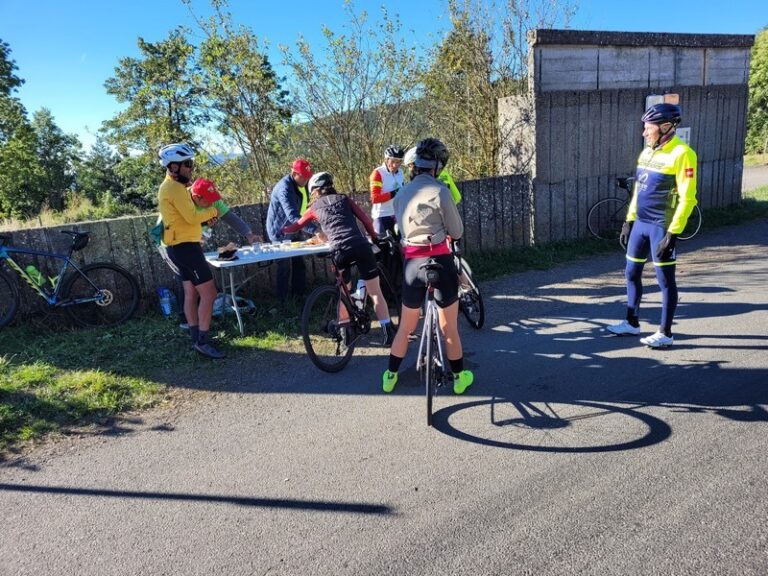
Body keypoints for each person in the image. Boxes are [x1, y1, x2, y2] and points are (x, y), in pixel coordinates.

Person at [382, 138, 473, 394]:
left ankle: (390, 376)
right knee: (449, 328)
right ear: (437, 168)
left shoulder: (400, 195)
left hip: (412, 265)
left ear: (413, 168)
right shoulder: (441, 191)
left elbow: (400, 231)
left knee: (406, 327)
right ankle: (459, 378)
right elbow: (456, 231)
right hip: (440, 262)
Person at [607, 103, 698, 348]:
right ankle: (631, 323)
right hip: (641, 224)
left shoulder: (683, 154)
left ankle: (665, 333)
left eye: (649, 128)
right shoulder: (647, 153)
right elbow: (639, 190)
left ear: (666, 127)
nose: (644, 133)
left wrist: (674, 232)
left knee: (665, 281)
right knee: (631, 273)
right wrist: (628, 220)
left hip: (661, 225)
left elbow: (689, 198)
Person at [282, 172, 396, 346]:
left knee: (343, 292)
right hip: (360, 245)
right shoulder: (344, 199)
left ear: (314, 191)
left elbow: (295, 227)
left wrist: (282, 231)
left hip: (339, 250)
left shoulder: (314, 208)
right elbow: (365, 220)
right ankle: (388, 334)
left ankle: (346, 333)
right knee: (375, 292)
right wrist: (374, 237)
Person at [157, 143, 224, 359]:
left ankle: (196, 338)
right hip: (186, 248)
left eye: (191, 163)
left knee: (191, 293)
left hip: (179, 246)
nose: (191, 168)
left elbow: (188, 218)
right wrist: (213, 211)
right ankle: (202, 341)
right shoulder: (174, 189)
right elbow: (192, 217)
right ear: (173, 167)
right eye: (187, 164)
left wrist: (206, 219)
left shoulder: (173, 187)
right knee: (210, 293)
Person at [266, 158, 318, 302]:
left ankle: (299, 297)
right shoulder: (284, 188)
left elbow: (306, 209)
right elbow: (293, 215)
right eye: (304, 177)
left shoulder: (301, 185)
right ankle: (282, 302)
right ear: (294, 173)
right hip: (280, 231)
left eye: (308, 177)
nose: (306, 180)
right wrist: (315, 230)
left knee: (299, 263)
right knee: (284, 267)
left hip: (295, 229)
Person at [369, 146, 405, 237]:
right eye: (392, 161)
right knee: (384, 248)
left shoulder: (400, 172)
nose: (395, 165)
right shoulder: (378, 173)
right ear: (386, 159)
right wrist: (394, 193)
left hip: (397, 215)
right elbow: (374, 198)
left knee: (400, 248)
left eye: (398, 162)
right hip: (382, 216)